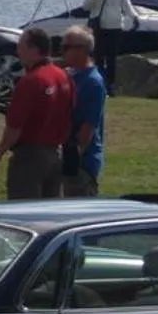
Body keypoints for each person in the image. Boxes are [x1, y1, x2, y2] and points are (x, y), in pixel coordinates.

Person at [0, 28, 73, 199]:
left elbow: (15, 127)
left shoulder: (31, 81)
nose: (18, 52)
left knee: (24, 211)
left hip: (30, 157)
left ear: (34, 50)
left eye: (21, 47)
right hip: (56, 155)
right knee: (50, 212)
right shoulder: (63, 77)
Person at [61, 25, 108, 197]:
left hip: (81, 163)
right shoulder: (71, 75)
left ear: (82, 50)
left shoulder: (93, 83)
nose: (62, 51)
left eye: (66, 47)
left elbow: (88, 128)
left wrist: (72, 161)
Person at [83, 0, 137, 94]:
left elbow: (126, 5)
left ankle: (110, 86)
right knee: (98, 57)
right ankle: (100, 85)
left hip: (114, 26)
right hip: (98, 25)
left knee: (112, 58)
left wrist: (134, 17)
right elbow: (86, 7)